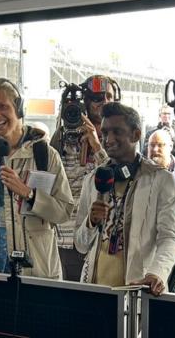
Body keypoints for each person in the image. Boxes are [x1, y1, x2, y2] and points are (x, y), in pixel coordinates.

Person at [0, 78, 74, 279]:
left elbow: (63, 212)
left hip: (37, 271)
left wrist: (29, 194)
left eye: (3, 106)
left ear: (19, 108)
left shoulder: (45, 155)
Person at [75, 102, 175, 295]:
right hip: (94, 289)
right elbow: (81, 245)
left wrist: (157, 273)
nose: (109, 139)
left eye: (117, 132)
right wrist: (91, 222)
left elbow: (170, 238)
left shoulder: (160, 179)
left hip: (136, 291)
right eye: (105, 132)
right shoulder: (93, 179)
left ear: (136, 135)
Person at [50, 74, 115, 281]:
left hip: (106, 239)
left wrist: (97, 147)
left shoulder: (120, 137)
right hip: (67, 239)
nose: (104, 102)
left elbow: (120, 183)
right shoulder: (63, 136)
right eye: (97, 97)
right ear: (84, 101)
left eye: (109, 96)